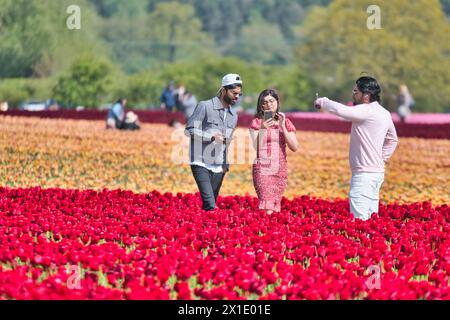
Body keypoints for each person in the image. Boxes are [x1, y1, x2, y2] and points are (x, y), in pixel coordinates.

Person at [315, 76, 398, 221]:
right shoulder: (384, 113)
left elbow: (341, 110)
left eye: (356, 91)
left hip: (364, 175)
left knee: (359, 220)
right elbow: (393, 140)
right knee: (372, 219)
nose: (353, 94)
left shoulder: (366, 110)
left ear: (366, 95)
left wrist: (322, 101)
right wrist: (381, 158)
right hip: (377, 172)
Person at [185, 73, 242, 211]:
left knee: (208, 206)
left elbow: (226, 142)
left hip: (218, 166)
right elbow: (190, 130)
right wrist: (210, 137)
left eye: (239, 94)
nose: (237, 97)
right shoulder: (204, 106)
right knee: (211, 205)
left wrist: (225, 163)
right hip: (200, 162)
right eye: (234, 93)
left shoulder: (234, 116)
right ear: (223, 90)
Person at [249, 89, 299, 214]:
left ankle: (269, 231)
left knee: (275, 207)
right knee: (267, 206)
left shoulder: (285, 122)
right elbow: (256, 146)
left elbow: (294, 147)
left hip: (280, 168)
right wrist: (262, 129)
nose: (268, 105)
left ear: (277, 102)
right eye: (264, 102)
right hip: (263, 168)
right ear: (261, 105)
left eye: (271, 101)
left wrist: (282, 126)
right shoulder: (257, 122)